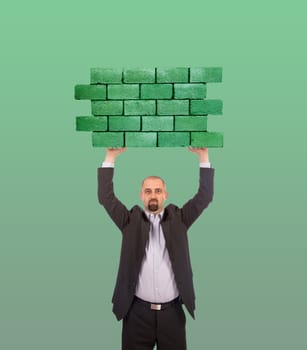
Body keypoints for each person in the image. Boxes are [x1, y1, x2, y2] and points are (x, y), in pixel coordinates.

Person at [98, 147, 214, 350]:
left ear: (165, 195)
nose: (153, 195)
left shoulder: (180, 218)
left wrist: (203, 157)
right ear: (141, 195)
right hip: (136, 314)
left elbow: (204, 197)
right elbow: (106, 198)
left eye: (158, 191)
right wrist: (110, 157)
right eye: (148, 191)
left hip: (173, 315)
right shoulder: (129, 221)